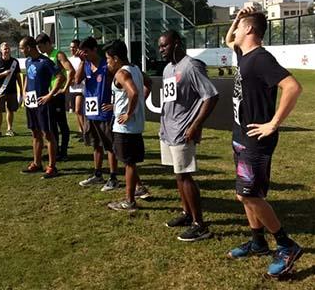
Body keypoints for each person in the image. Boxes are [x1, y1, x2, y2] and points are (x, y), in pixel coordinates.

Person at [225, 7, 303, 278]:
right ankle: (258, 242)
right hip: (241, 136)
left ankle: (286, 245)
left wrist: (273, 123)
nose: (234, 30)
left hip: (256, 140)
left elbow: (293, 87)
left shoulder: (260, 58)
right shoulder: (243, 54)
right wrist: (237, 17)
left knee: (250, 194)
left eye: (238, 26)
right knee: (242, 194)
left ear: (249, 30)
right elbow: (228, 40)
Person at [158, 30, 219, 242]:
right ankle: (186, 214)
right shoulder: (167, 69)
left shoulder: (192, 66)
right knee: (178, 174)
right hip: (168, 130)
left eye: (164, 45)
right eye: (160, 46)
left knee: (185, 175)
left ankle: (199, 224)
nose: (161, 50)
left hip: (184, 130)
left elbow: (210, 96)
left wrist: (195, 125)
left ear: (176, 43)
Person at [105, 40, 152, 212]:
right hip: (134, 126)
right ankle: (139, 189)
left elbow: (133, 92)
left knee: (129, 163)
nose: (107, 63)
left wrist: (128, 113)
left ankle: (129, 201)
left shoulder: (121, 73)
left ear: (116, 58)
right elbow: (149, 84)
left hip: (126, 127)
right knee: (129, 162)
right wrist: (129, 106)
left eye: (108, 59)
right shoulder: (136, 69)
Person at [74, 37, 119, 191]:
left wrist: (115, 105)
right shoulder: (85, 64)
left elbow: (121, 84)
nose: (84, 54)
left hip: (105, 112)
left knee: (109, 146)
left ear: (94, 50)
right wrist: (81, 62)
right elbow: (76, 80)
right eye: (82, 52)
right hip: (91, 111)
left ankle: (113, 177)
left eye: (86, 52)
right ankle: (97, 174)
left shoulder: (107, 66)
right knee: (96, 145)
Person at [19, 36, 65, 179]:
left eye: (21, 48)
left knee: (48, 134)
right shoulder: (27, 61)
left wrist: (50, 95)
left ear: (28, 48)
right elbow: (27, 77)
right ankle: (37, 163)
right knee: (35, 133)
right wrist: (25, 92)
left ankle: (52, 166)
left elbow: (60, 77)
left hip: (43, 103)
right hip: (31, 102)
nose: (20, 51)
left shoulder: (45, 62)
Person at [36, 33, 75, 161]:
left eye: (41, 46)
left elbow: (71, 70)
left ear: (48, 43)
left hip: (57, 95)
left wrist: (65, 88)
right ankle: (55, 151)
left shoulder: (58, 54)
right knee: (51, 125)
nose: (39, 50)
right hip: (49, 95)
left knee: (62, 124)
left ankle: (63, 152)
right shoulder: (45, 57)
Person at [0, 42, 23, 138]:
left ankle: (9, 129)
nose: (7, 50)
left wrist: (21, 89)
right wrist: (3, 74)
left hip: (12, 91)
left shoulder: (15, 62)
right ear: (1, 50)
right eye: (5, 49)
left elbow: (18, 77)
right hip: (1, 91)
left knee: (10, 110)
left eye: (8, 48)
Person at [68, 39, 85, 139]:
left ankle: (84, 132)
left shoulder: (82, 59)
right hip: (72, 88)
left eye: (74, 47)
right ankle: (81, 130)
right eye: (71, 47)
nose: (72, 49)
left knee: (79, 110)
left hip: (81, 88)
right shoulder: (70, 59)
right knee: (76, 111)